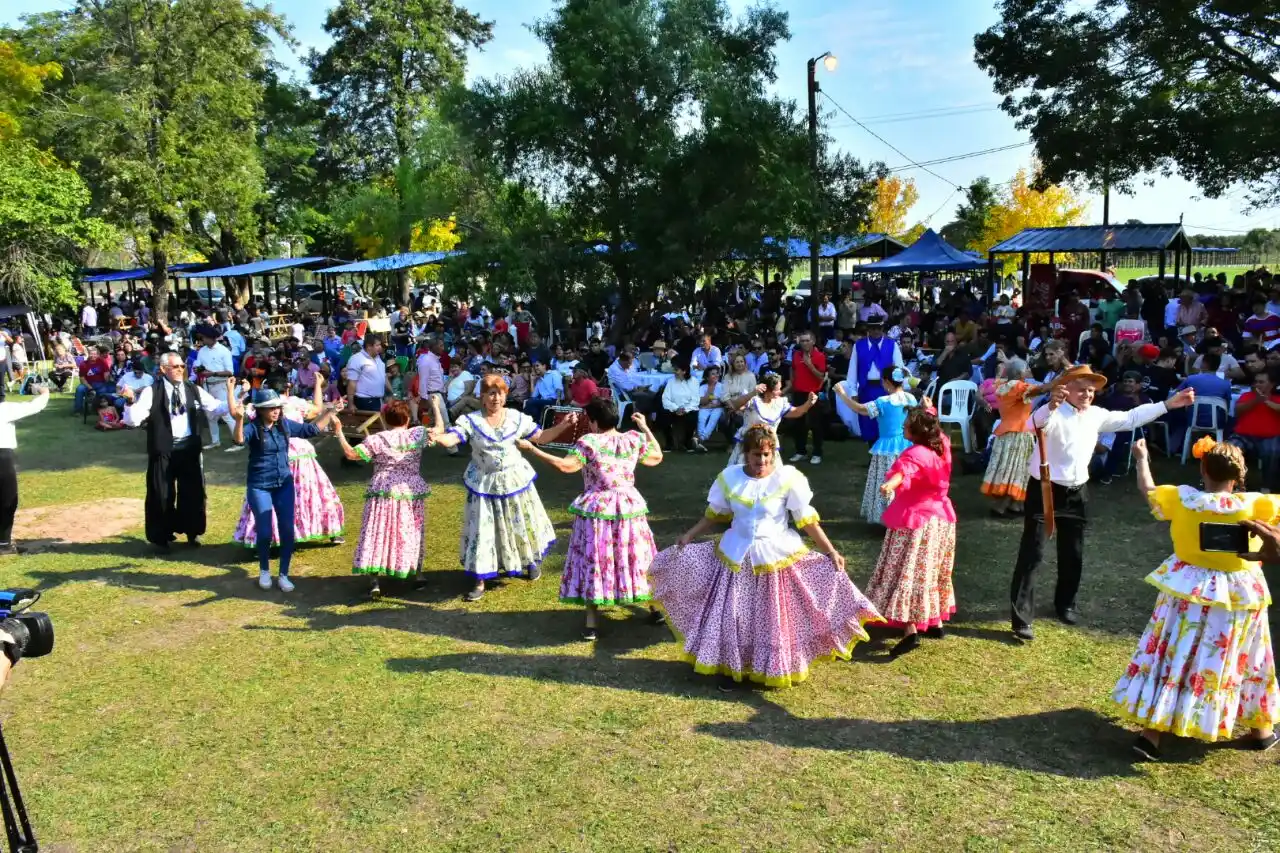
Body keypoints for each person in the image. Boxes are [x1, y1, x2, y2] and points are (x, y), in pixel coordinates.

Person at [649, 424, 883, 689]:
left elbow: (806, 521)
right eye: (756, 455)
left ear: (773, 454)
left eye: (766, 455)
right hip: (737, 557)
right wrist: (689, 535)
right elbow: (715, 514)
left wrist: (830, 550)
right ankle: (732, 666)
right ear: (745, 454)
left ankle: (769, 666)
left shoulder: (787, 479)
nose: (761, 461)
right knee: (735, 616)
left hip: (774, 556)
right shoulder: (730, 478)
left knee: (771, 618)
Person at [1115, 438, 1278, 760]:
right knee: (1246, 654)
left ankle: (1152, 735)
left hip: (1189, 587)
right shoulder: (1257, 504)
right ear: (1240, 474)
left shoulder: (1183, 499)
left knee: (1175, 653)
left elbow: (1148, 491)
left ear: (1203, 468)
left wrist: (1142, 457)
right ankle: (1261, 730)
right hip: (1241, 591)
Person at [1009, 366, 1196, 640]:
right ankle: (1021, 618)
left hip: (1076, 492)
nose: (1087, 394)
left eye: (1091, 390)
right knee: (1033, 553)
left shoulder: (1096, 415)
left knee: (1073, 552)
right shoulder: (1051, 411)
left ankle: (1066, 604)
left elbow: (1131, 417)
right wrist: (1051, 404)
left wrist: (1167, 405)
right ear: (1067, 388)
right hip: (1045, 490)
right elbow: (1032, 424)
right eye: (1082, 388)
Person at [516, 401, 664, 639]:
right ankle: (655, 607)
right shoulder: (633, 439)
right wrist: (645, 427)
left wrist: (532, 450)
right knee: (636, 555)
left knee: (596, 558)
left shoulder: (589, 442)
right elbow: (656, 457)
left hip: (598, 510)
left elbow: (566, 466)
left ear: (594, 421)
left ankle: (592, 622)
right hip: (628, 506)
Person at [430, 374, 579, 601]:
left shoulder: (516, 418)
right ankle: (480, 579)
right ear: (482, 396)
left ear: (505, 395)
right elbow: (452, 440)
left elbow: (541, 437)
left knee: (521, 522)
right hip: (484, 482)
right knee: (483, 530)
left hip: (514, 480)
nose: (495, 398)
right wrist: (438, 434)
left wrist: (564, 424)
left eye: (499, 393)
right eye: (490, 393)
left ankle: (530, 561)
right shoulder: (471, 420)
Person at [121, 354, 234, 551]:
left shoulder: (192, 388)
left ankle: (192, 532)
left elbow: (216, 408)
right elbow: (134, 420)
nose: (180, 369)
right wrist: (130, 401)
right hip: (163, 450)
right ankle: (162, 537)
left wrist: (235, 396)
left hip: (189, 449)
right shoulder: (152, 391)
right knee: (161, 494)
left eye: (182, 366)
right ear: (163, 369)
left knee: (193, 493)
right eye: (175, 366)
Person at [232, 387, 339, 591]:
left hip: (284, 484)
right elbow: (239, 440)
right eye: (270, 408)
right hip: (259, 486)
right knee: (264, 531)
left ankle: (283, 574)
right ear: (261, 410)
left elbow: (311, 430)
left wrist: (330, 412)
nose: (276, 411)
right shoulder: (253, 428)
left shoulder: (285, 425)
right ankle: (264, 571)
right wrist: (238, 420)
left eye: (278, 407)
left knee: (287, 530)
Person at [869, 407, 957, 657]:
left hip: (916, 522)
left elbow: (904, 471)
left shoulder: (915, 453)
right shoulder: (941, 443)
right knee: (932, 569)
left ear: (918, 432)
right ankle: (936, 623)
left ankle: (910, 630)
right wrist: (927, 406)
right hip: (941, 518)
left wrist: (889, 484)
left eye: (907, 425)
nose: (902, 427)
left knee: (907, 570)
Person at [334, 398, 441, 599]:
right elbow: (439, 429)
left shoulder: (377, 439)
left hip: (382, 488)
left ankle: (374, 579)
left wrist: (339, 431)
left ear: (385, 417)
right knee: (410, 530)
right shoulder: (417, 434)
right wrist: (435, 405)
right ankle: (416, 573)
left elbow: (350, 454)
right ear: (408, 418)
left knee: (378, 530)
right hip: (410, 489)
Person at [834, 367, 917, 525]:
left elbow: (860, 408)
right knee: (906, 481)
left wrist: (842, 394)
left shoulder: (883, 402)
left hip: (888, 447)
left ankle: (889, 517)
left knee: (887, 480)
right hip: (908, 446)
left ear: (886, 382)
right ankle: (907, 515)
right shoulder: (911, 398)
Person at [981, 360, 1045, 517]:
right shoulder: (1017, 386)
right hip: (1017, 434)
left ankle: (1016, 505)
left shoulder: (1004, 385)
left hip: (1008, 433)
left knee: (1015, 469)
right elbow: (1042, 389)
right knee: (1014, 470)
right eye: (1026, 368)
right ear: (1018, 374)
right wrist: (1061, 381)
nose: (1029, 370)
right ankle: (1000, 507)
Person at [0, 387, 50, 555]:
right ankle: (3, 544)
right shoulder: (5, 409)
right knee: (7, 501)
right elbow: (35, 406)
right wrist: (45, 393)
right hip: (2, 457)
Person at [726, 374, 815, 467]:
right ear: (767, 389)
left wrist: (808, 404)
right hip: (748, 447)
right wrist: (752, 393)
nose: (780, 392)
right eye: (777, 389)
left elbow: (796, 412)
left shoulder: (780, 403)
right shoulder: (753, 400)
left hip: (768, 448)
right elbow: (735, 405)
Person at [847, 319, 904, 444]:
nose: (876, 331)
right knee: (868, 424)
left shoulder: (892, 344)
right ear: (868, 329)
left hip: (886, 390)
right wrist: (853, 393)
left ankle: (885, 458)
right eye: (873, 328)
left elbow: (899, 368)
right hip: (866, 389)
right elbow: (852, 370)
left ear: (883, 329)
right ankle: (872, 458)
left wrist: (898, 390)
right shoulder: (859, 345)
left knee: (886, 424)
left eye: (879, 328)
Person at [1227, 369, 1280, 492]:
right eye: (1256, 382)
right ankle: (1236, 485)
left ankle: (1266, 487)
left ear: (1271, 384)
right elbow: (1238, 411)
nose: (1257, 385)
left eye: (1261, 382)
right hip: (1243, 435)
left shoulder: (1277, 398)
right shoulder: (1246, 396)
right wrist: (1256, 401)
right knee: (1229, 450)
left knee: (1272, 451)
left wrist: (1266, 401)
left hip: (1270, 436)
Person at [193, 324, 241, 452]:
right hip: (207, 385)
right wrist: (197, 369)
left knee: (227, 414)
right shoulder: (202, 351)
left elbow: (230, 371)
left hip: (221, 385)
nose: (202, 340)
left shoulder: (224, 351)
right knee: (210, 414)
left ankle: (238, 441)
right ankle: (215, 441)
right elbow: (198, 364)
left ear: (211, 338)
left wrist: (213, 373)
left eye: (204, 338)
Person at [787, 332, 828, 465]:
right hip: (798, 393)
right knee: (798, 424)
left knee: (815, 425)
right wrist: (793, 382)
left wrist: (809, 364)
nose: (804, 343)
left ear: (813, 341)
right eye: (802, 341)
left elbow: (821, 376)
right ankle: (801, 451)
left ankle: (817, 453)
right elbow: (792, 369)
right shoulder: (796, 355)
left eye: (807, 340)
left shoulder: (819, 356)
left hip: (813, 393)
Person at [659, 357, 705, 453]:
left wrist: (685, 409)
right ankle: (669, 443)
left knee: (692, 417)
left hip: (688, 409)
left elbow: (695, 400)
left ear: (684, 371)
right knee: (663, 415)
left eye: (677, 370)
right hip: (673, 409)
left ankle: (687, 443)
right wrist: (676, 408)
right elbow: (665, 398)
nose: (674, 372)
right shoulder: (671, 381)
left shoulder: (694, 381)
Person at [344, 334, 386, 412]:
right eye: (377, 345)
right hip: (365, 401)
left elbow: (383, 377)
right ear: (369, 346)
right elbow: (352, 382)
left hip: (378, 400)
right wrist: (350, 403)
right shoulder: (357, 359)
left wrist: (391, 393)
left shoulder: (378, 357)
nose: (380, 347)